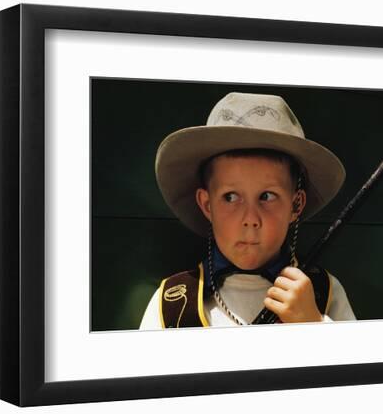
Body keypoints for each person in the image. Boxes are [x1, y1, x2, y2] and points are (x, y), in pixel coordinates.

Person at [140, 92, 355, 329]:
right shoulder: (171, 303)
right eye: (230, 197)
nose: (250, 219)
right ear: (207, 205)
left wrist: (314, 324)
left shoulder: (324, 292)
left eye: (267, 196)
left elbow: (362, 365)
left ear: (296, 205)